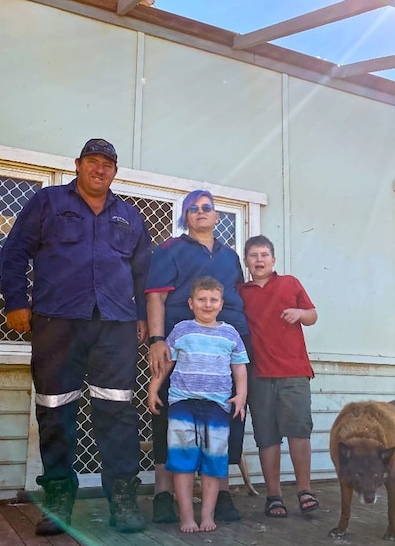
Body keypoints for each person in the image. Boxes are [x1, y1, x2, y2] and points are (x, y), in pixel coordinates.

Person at [0, 138, 151, 536]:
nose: (100, 170)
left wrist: (141, 319)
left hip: (114, 325)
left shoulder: (130, 216)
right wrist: (16, 301)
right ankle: (58, 501)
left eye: (108, 165)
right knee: (55, 408)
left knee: (117, 410)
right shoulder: (48, 202)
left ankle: (122, 498)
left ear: (115, 172)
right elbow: (15, 251)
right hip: (57, 320)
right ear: (78, 165)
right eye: (93, 162)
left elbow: (142, 275)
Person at [145, 189, 252, 524]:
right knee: (170, 420)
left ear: (217, 216)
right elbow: (156, 297)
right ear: (185, 216)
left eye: (207, 208)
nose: (201, 213)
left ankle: (221, 496)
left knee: (227, 419)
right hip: (181, 346)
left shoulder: (229, 256)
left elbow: (238, 294)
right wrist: (157, 339)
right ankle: (163, 497)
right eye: (194, 208)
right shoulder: (170, 250)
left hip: (227, 343)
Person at [147, 276, 249, 533]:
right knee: (183, 462)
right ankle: (187, 517)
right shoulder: (182, 329)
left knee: (213, 463)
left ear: (221, 303)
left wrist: (242, 395)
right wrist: (153, 389)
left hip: (217, 406)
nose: (207, 304)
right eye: (202, 300)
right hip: (183, 404)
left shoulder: (230, 333)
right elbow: (167, 363)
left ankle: (207, 516)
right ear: (191, 303)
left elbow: (239, 366)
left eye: (213, 300)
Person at [237, 235, 319, 518]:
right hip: (258, 374)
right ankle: (274, 496)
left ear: (273, 260)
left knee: (298, 431)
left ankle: (305, 490)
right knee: (267, 436)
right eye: (253, 255)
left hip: (294, 371)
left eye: (264, 255)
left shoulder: (290, 283)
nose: (259, 260)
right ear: (246, 261)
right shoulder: (240, 292)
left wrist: (300, 313)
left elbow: (313, 315)